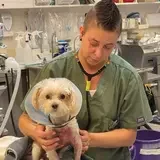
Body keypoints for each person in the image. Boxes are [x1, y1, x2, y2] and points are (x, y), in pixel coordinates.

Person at [18, 0, 152, 159]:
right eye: (93, 43)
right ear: (82, 32)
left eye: (108, 47)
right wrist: (36, 133)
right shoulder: (55, 69)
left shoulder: (127, 77)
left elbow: (129, 135)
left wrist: (90, 139)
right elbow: (24, 119)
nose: (98, 54)